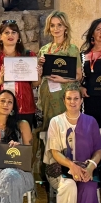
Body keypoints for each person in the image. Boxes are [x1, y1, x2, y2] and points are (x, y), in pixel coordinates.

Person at [44, 86, 101, 203]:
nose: (72, 102)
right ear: (64, 101)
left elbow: (98, 150)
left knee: (88, 187)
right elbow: (55, 152)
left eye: (76, 98)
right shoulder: (56, 122)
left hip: (84, 169)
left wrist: (90, 167)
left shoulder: (90, 121)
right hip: (59, 169)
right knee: (69, 186)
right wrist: (72, 166)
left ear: (81, 101)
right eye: (69, 98)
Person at [0, 20, 39, 127]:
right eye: (6, 32)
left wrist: (38, 75)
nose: (10, 35)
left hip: (24, 107)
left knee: (23, 137)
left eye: (13, 32)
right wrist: (1, 80)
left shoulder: (28, 56)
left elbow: (35, 84)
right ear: (0, 36)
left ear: (18, 36)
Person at [36, 10, 82, 139]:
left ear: (65, 27)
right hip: (47, 95)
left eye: (59, 25)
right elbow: (39, 76)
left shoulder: (72, 49)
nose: (56, 28)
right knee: (48, 131)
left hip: (64, 96)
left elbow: (79, 75)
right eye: (52, 25)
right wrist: (39, 66)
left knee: (65, 132)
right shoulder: (44, 49)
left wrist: (63, 80)